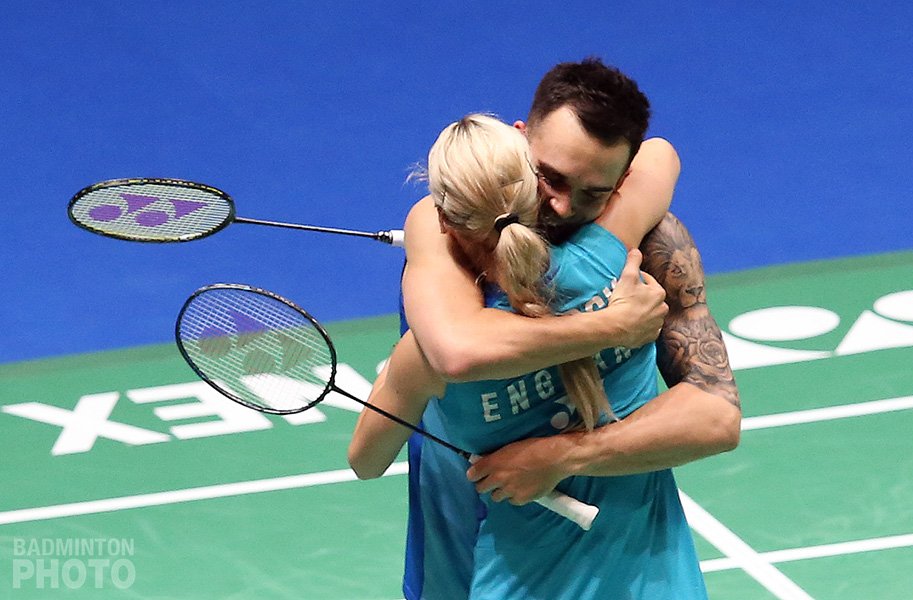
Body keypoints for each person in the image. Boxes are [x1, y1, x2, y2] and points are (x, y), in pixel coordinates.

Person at [393, 58, 741, 600]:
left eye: (592, 193)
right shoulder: (444, 234)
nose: (560, 206)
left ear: (622, 185)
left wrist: (564, 456)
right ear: (518, 139)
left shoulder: (642, 244)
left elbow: (716, 415)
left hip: (633, 568)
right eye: (549, 177)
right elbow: (455, 351)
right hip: (466, 553)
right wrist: (610, 326)